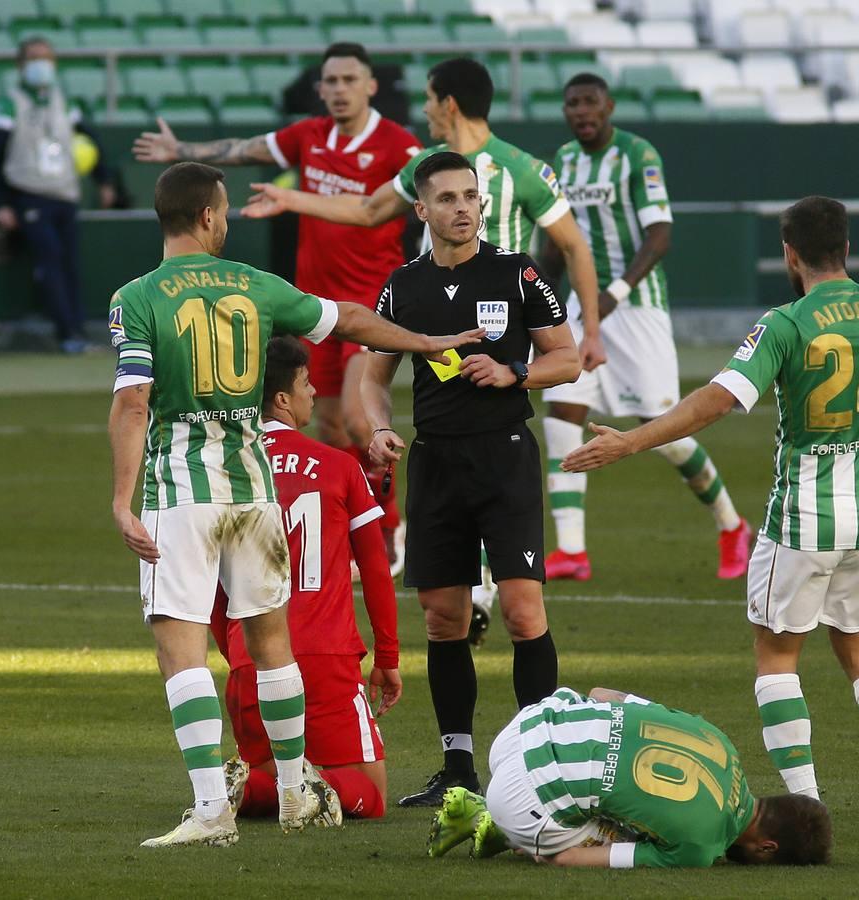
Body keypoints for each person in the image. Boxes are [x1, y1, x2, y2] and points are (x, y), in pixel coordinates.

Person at [563, 196, 859, 840]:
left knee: (776, 656)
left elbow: (717, 399)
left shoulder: (787, 323)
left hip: (801, 523)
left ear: (789, 254)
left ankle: (807, 804)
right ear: (847, 249)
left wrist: (630, 441)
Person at [108, 161, 482, 847]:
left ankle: (210, 813)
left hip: (180, 491)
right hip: (255, 492)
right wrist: (426, 343)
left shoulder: (135, 297)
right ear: (210, 215)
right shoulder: (257, 286)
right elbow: (351, 323)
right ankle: (292, 792)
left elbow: (133, 401)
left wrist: (122, 500)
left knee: (181, 649)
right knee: (271, 641)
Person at [243, 56, 606, 632]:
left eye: (432, 100)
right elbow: (366, 210)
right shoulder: (423, 168)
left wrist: (589, 331)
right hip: (442, 322)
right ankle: (437, 567)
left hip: (508, 326)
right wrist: (294, 200)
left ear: (449, 104)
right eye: (447, 200)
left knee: (498, 454)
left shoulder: (524, 170)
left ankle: (485, 587)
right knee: (415, 440)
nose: (427, 111)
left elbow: (575, 246)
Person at [132, 42, 420, 573]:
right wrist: (182, 148)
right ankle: (355, 526)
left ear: (371, 85)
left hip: (366, 303)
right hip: (315, 304)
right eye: (329, 82)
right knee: (330, 428)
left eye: (348, 80)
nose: (338, 90)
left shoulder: (398, 147)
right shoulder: (308, 136)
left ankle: (389, 527)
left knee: (361, 422)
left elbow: (374, 211)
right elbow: (247, 150)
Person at [360, 151, 582, 807]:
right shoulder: (402, 286)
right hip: (435, 462)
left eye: (470, 197)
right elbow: (372, 380)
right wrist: (376, 430)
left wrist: (515, 372)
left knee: (520, 609)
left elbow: (566, 359)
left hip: (504, 455)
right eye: (448, 199)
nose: (462, 208)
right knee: (442, 618)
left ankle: (541, 764)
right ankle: (458, 770)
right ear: (421, 210)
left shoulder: (516, 273)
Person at [540, 73, 750, 584]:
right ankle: (571, 549)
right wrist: (539, 301)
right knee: (561, 410)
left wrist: (614, 294)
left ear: (608, 106)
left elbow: (660, 236)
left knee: (663, 432)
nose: (581, 111)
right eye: (572, 104)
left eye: (590, 102)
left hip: (637, 311)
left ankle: (731, 525)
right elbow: (555, 244)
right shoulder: (562, 161)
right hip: (579, 308)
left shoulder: (638, 155)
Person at [209, 335, 400, 821]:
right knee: (370, 794)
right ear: (282, 399)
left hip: (251, 661)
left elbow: (210, 585)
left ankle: (248, 789)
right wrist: (388, 657)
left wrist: (235, 651)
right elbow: (377, 569)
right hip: (327, 659)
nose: (315, 392)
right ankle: (310, 786)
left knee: (272, 777)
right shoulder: (341, 466)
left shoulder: (222, 473)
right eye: (306, 383)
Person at [427, 686, 833, 868]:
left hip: (527, 725)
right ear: (767, 847)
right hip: (522, 798)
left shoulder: (722, 743)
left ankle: (501, 815)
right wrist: (536, 851)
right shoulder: (701, 849)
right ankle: (494, 822)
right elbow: (568, 859)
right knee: (635, 833)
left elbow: (604, 694)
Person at [0, 36, 119, 353]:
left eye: (47, 58)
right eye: (35, 58)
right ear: (21, 65)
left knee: (70, 265)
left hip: (64, 195)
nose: (42, 65)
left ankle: (77, 329)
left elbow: (89, 138)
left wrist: (105, 180)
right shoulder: (9, 104)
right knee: (49, 259)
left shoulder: (65, 102)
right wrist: (1, 203)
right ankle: (67, 334)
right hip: (29, 194)